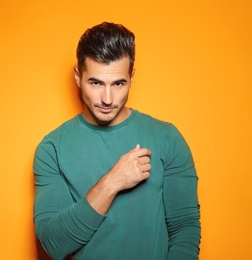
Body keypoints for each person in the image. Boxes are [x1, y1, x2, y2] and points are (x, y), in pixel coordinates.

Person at [33, 22, 201, 260]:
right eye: (96, 83)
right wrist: (112, 182)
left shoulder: (167, 138)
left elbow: (185, 229)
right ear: (78, 77)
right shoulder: (52, 149)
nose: (107, 99)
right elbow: (53, 244)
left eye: (118, 83)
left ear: (132, 76)